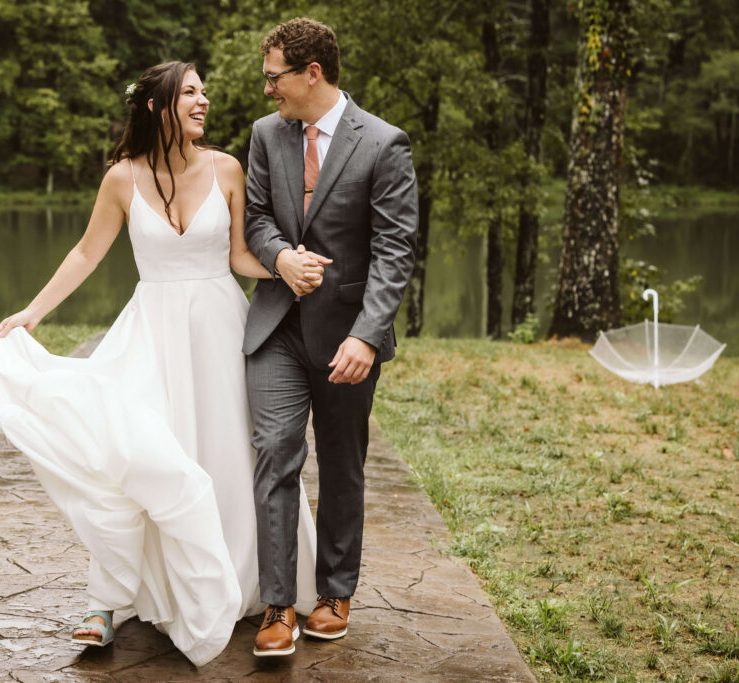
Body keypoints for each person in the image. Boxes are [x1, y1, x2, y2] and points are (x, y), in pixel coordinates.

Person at [0, 61, 322, 667]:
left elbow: (241, 255)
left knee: (227, 452)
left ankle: (243, 583)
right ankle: (107, 599)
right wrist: (32, 314)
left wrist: (286, 266)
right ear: (156, 105)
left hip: (220, 329)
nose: (203, 100)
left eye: (203, 91)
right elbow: (88, 251)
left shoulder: (225, 168)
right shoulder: (122, 178)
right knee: (137, 459)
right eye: (190, 92)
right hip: (151, 332)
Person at [243, 18, 418, 656]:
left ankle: (336, 592)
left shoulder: (383, 143)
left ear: (311, 72)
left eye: (275, 77)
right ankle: (277, 607)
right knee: (275, 454)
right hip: (277, 328)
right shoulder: (266, 136)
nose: (269, 92)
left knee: (342, 465)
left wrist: (368, 337)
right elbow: (257, 217)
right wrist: (281, 256)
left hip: (348, 339)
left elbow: (395, 250)